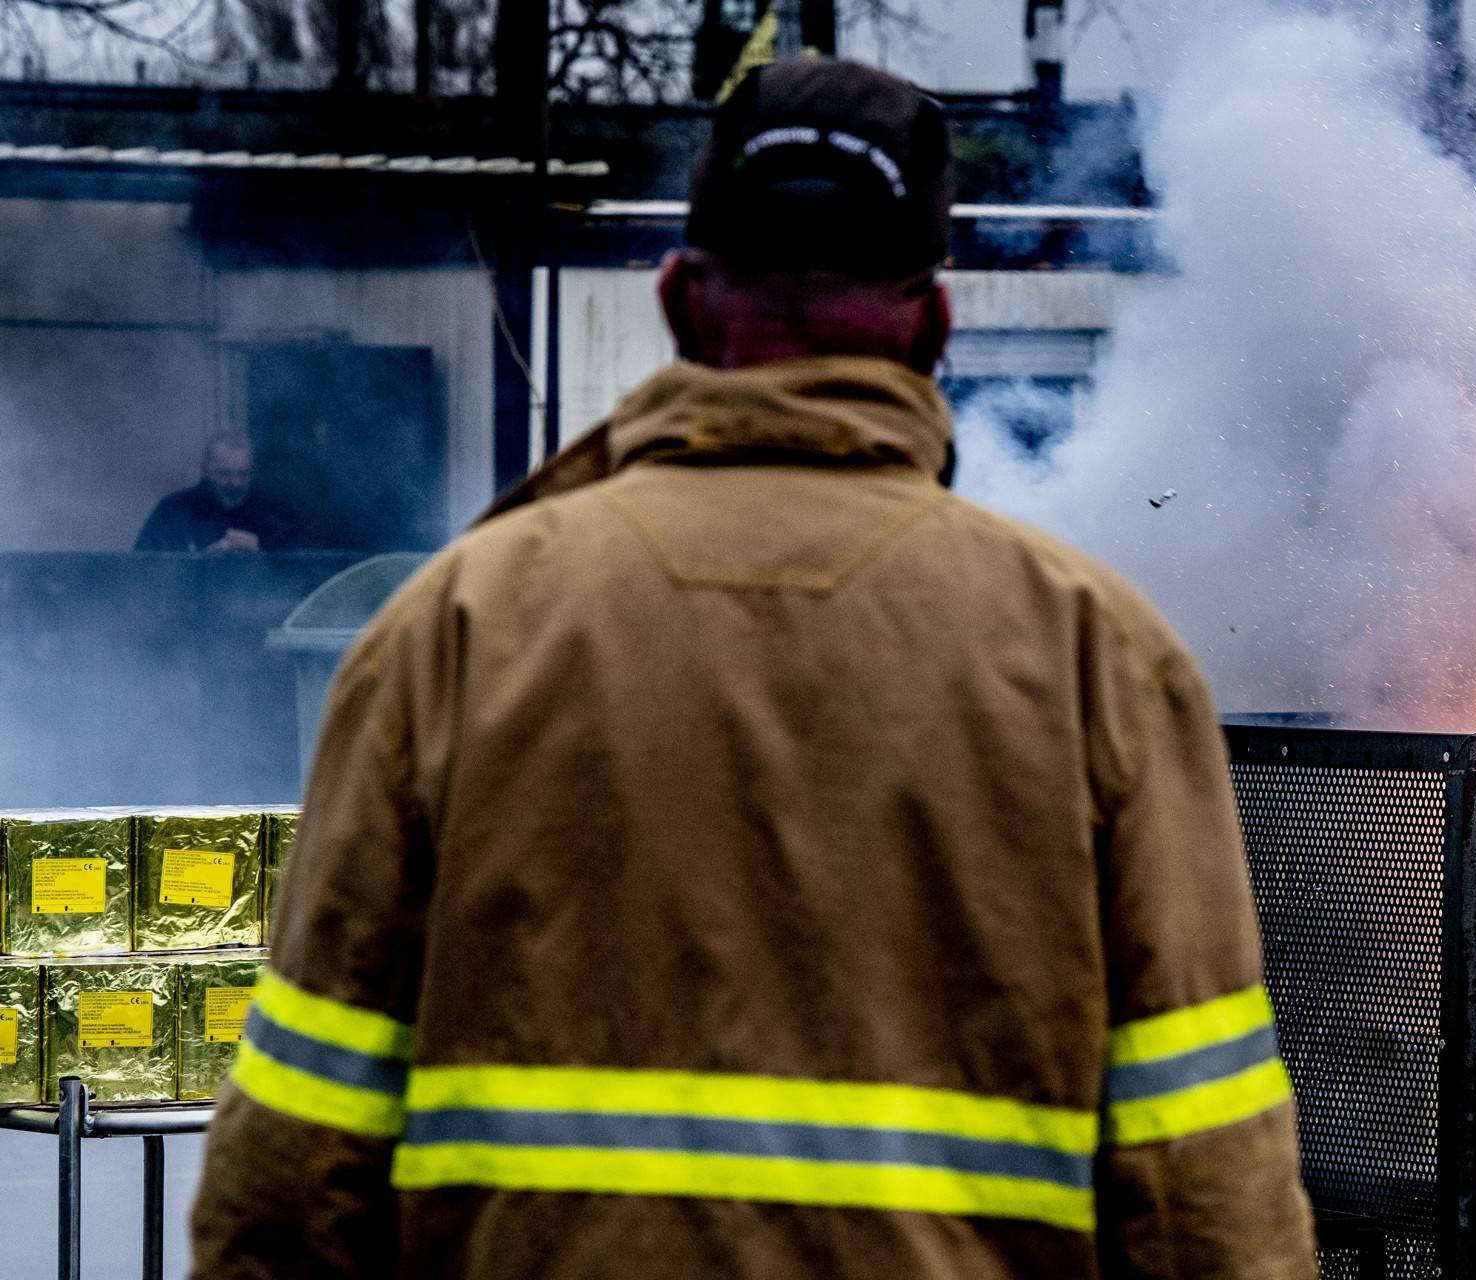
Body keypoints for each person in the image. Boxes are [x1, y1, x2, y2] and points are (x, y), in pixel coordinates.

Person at [189, 57, 1319, 1280]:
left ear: (679, 300)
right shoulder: (1103, 660)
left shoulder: (451, 633)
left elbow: (292, 1185)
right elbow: (1210, 1202)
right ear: (934, 328)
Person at [134, 431, 294, 553]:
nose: (235, 482)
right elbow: (145, 566)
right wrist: (203, 562)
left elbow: (299, 568)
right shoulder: (173, 510)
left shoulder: (274, 511)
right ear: (206, 470)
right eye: (224, 474)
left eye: (243, 473)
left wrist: (259, 551)